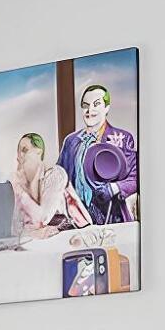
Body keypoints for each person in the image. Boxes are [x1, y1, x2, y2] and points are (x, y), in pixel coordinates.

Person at [58, 82, 140, 224]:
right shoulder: (71, 141)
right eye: (85, 105)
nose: (90, 110)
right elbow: (60, 175)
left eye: (96, 104)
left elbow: (136, 176)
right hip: (77, 218)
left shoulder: (122, 138)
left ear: (107, 107)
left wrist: (114, 188)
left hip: (110, 217)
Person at [9, 131, 77, 234]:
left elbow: (43, 217)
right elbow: (15, 221)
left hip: (61, 233)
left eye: (24, 150)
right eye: (18, 152)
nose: (19, 156)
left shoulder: (55, 174)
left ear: (38, 152)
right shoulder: (22, 181)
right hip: (36, 234)